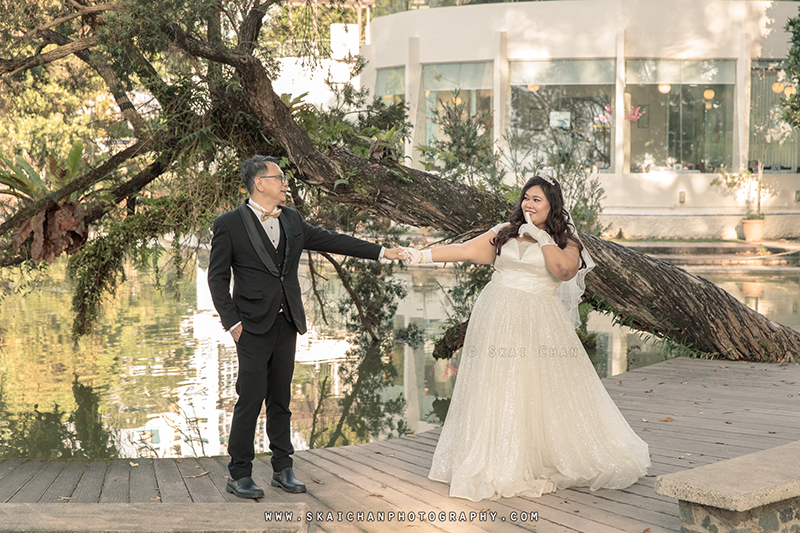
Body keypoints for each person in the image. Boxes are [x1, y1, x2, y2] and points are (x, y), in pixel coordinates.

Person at [401, 176, 650, 502]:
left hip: (537, 320)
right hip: (496, 313)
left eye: (538, 200)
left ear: (552, 207)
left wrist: (541, 236)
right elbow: (465, 250)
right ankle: (494, 456)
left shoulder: (568, 241)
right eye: (527, 198)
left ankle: (531, 456)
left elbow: (563, 272)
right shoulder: (504, 231)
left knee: (533, 384)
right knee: (496, 382)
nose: (529, 205)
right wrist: (417, 256)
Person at [208, 155, 405, 498]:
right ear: (260, 183)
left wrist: (383, 251)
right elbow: (217, 279)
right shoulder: (228, 224)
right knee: (250, 398)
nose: (286, 183)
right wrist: (233, 322)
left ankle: (283, 468)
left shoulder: (293, 220)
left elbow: (332, 240)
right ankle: (239, 473)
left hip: (287, 321)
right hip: (251, 326)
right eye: (279, 178)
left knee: (281, 398)